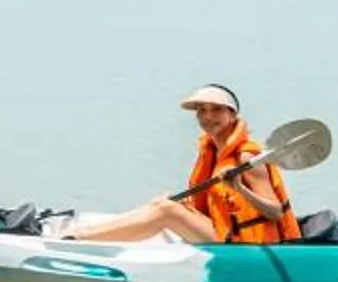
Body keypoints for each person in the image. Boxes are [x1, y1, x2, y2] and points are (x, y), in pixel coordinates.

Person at [60, 84, 296, 243]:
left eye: (216, 110)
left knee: (166, 210)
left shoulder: (246, 158)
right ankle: (89, 235)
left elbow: (274, 212)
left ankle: (80, 240)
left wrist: (240, 189)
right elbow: (218, 202)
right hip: (225, 229)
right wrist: (190, 205)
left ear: (232, 115)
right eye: (202, 111)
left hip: (248, 244)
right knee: (164, 202)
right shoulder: (213, 150)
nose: (208, 117)